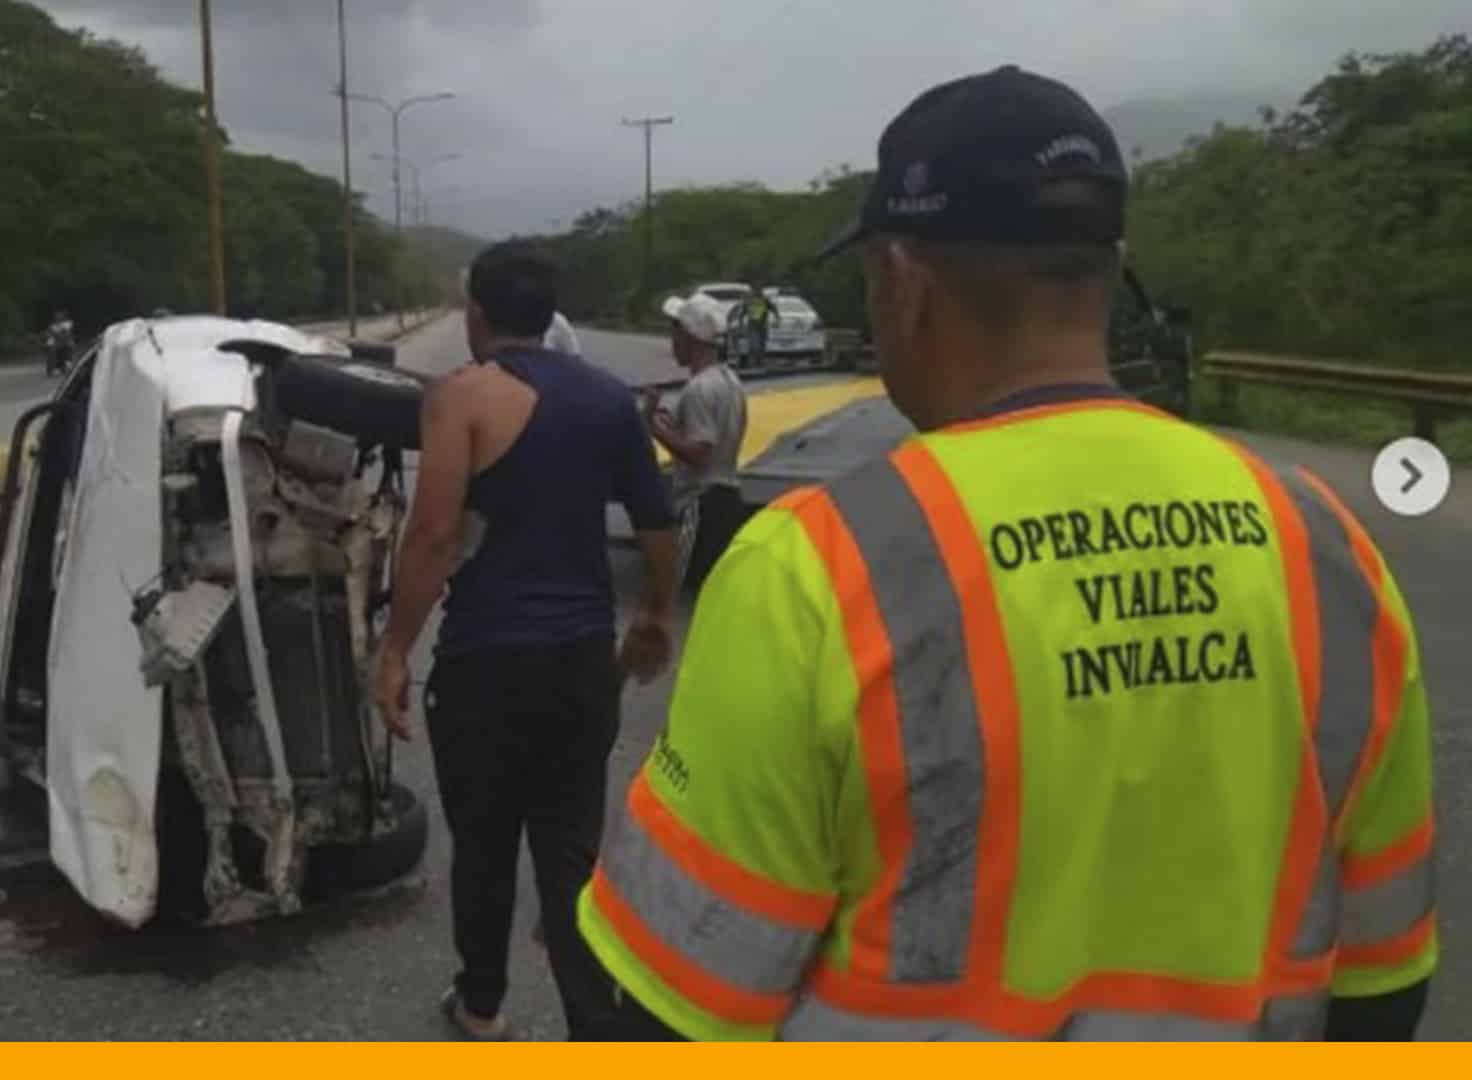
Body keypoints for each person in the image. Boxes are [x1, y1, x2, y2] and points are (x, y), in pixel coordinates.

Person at [576, 64, 1436, 1042]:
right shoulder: (1326, 546)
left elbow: (668, 1011)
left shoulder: (814, 569)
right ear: (1112, 269)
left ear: (900, 281)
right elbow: (1384, 984)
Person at [373, 241, 684, 1041]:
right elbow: (658, 521)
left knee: (483, 846)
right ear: (548, 314)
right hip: (581, 660)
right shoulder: (610, 399)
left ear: (475, 312)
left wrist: (395, 650)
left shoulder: (462, 396)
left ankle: (481, 1009)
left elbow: (434, 535)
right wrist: (655, 614)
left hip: (485, 664)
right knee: (570, 850)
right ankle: (591, 1026)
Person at [643, 301, 749, 591]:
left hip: (701, 505)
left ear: (690, 338)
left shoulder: (699, 389)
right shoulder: (730, 382)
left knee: (676, 591)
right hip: (728, 497)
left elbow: (701, 454)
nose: (672, 342)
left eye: (675, 334)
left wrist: (651, 428)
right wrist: (671, 424)